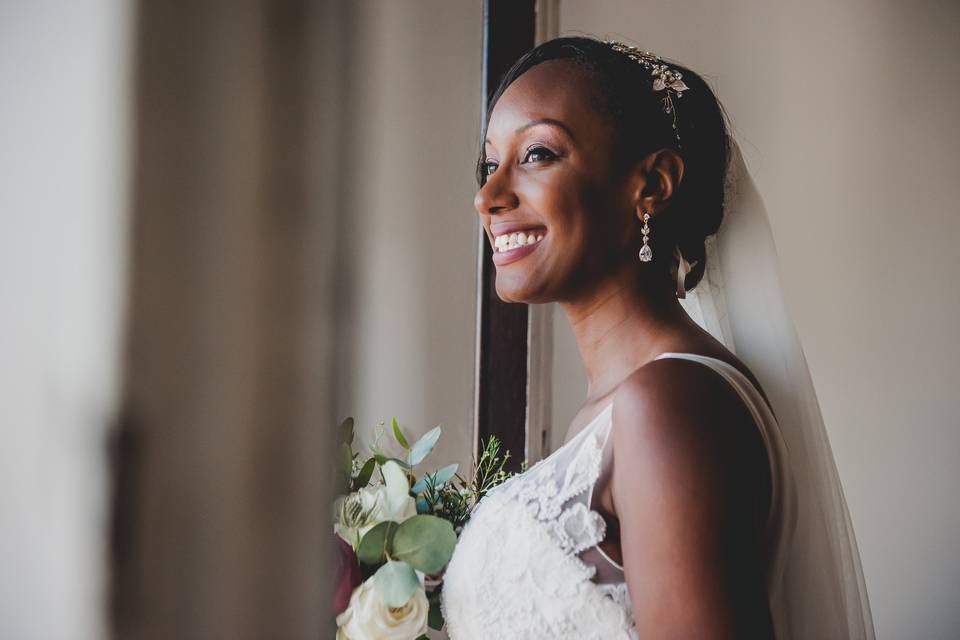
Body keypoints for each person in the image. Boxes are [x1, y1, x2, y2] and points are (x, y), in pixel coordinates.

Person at [440, 36, 874, 639]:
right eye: (491, 164)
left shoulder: (663, 405)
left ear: (653, 185)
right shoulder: (619, 414)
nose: (488, 197)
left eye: (537, 154)